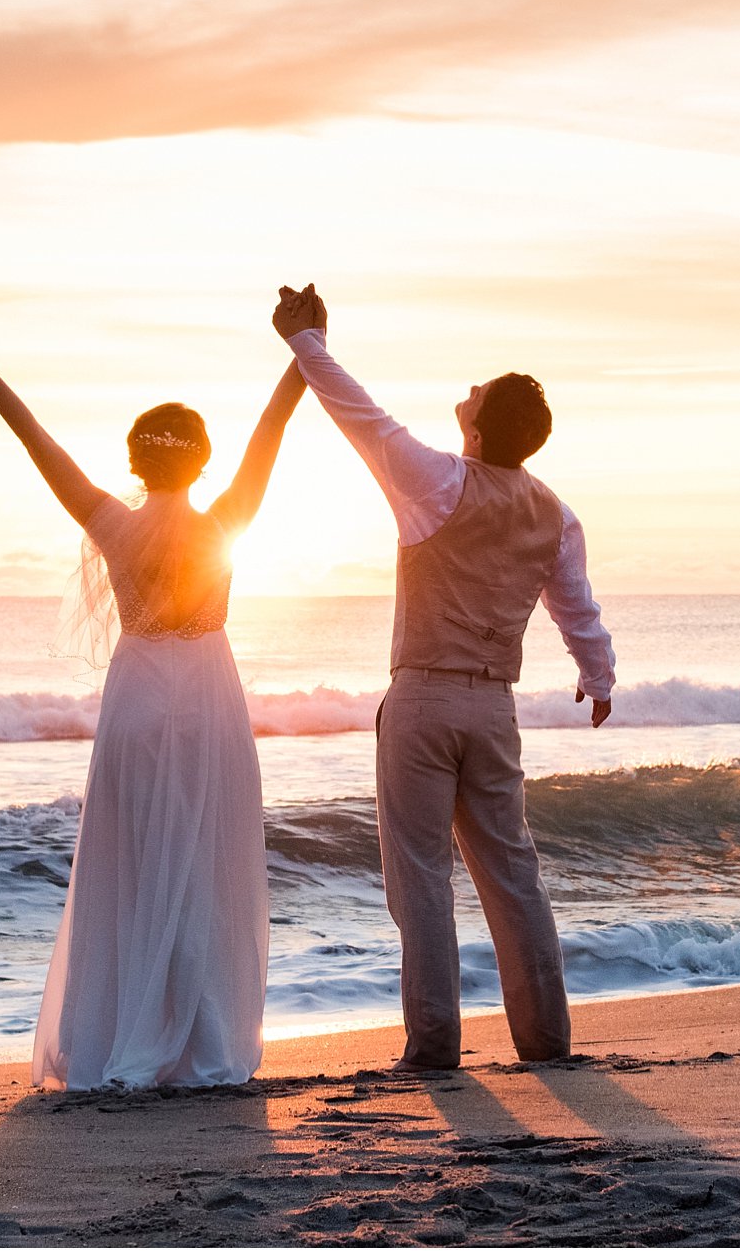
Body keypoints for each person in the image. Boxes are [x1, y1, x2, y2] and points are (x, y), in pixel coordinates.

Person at [0, 328, 307, 1090]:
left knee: (132, 865)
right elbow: (273, 428)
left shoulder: (111, 523)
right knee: (201, 867)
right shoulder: (223, 521)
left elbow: (34, 436)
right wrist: (306, 352)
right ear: (200, 461)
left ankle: (128, 1030)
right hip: (208, 698)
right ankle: (203, 1038)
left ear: (135, 460)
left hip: (135, 698)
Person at [267, 285, 616, 1072]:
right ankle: (547, 1040)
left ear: (481, 424)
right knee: (511, 869)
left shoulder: (436, 480)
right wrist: (599, 678)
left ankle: (433, 1044)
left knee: (420, 876)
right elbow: (577, 609)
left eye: (477, 391)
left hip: (423, 695)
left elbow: (358, 413)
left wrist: (307, 339)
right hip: (494, 704)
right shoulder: (555, 513)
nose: (467, 391)